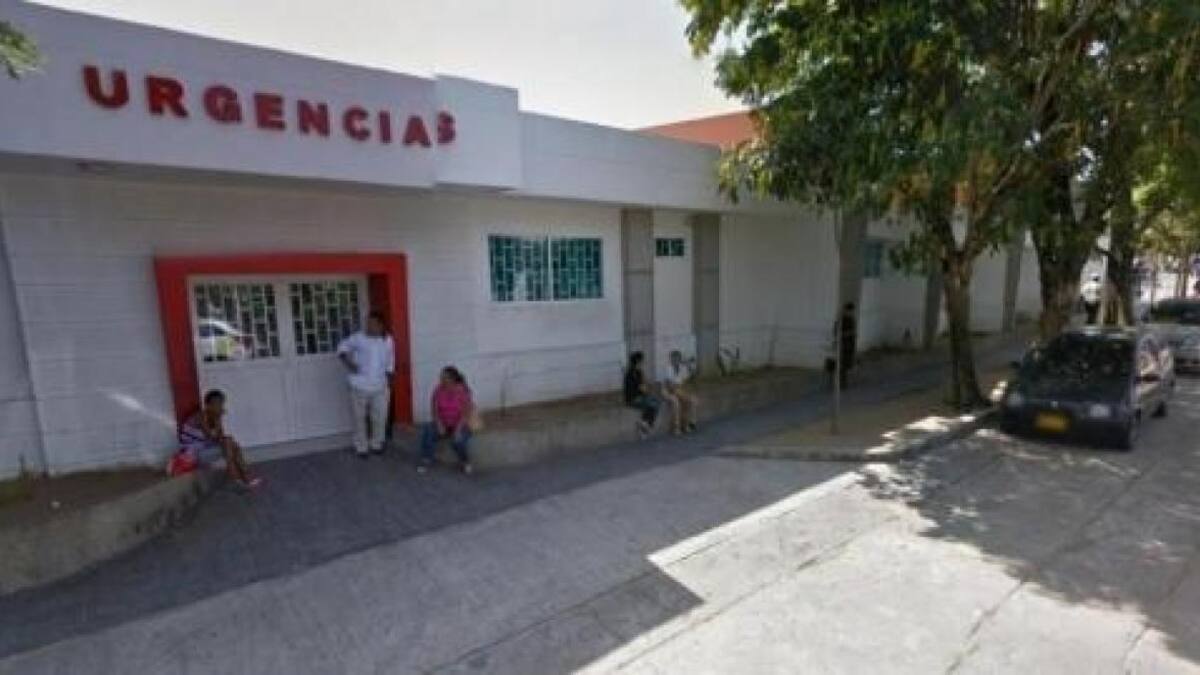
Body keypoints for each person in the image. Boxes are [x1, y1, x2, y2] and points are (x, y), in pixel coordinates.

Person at [337, 311, 395, 459]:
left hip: (380, 386)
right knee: (359, 418)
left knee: (380, 417)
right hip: (359, 385)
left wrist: (389, 382)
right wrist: (349, 363)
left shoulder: (388, 340)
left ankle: (376, 444)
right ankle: (361, 447)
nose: (368, 326)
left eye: (372, 323)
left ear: (381, 325)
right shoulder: (358, 338)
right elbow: (342, 347)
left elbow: (390, 361)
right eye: (368, 323)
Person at [179, 389, 261, 490]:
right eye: (216, 404)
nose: (220, 406)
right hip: (195, 454)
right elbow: (211, 437)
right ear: (207, 405)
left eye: (221, 403)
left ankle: (244, 475)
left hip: (205, 448)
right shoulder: (201, 417)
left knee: (230, 442)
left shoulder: (214, 416)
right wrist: (218, 419)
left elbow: (220, 437)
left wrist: (218, 420)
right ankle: (237, 477)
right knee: (228, 443)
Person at [419, 366, 475, 474]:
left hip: (460, 424)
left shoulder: (463, 391)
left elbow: (466, 412)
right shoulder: (438, 390)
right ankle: (426, 459)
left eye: (444, 377)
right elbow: (434, 409)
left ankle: (465, 461)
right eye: (441, 377)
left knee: (458, 441)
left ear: (452, 379)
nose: (441, 380)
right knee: (428, 430)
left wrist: (458, 429)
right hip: (443, 423)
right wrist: (439, 424)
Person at [623, 351, 660, 438]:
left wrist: (648, 390)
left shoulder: (638, 372)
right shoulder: (631, 373)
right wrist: (647, 391)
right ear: (638, 362)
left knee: (656, 402)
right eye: (642, 361)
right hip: (632, 399)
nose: (643, 363)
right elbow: (642, 388)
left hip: (640, 396)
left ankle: (643, 424)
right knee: (652, 404)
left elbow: (644, 385)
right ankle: (645, 426)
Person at [662, 350, 698, 435]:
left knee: (692, 401)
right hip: (668, 392)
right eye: (673, 358)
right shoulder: (668, 369)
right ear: (671, 359)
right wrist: (681, 394)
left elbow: (688, 379)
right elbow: (669, 386)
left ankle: (687, 424)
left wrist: (689, 365)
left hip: (679, 391)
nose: (675, 360)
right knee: (676, 403)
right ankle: (676, 427)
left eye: (677, 358)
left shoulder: (682, 368)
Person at [832, 302, 858, 388]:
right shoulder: (841, 320)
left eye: (852, 311)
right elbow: (837, 333)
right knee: (841, 365)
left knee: (846, 365)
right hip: (843, 345)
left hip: (849, 345)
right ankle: (840, 383)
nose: (851, 313)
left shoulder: (851, 319)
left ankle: (842, 382)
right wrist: (848, 333)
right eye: (850, 311)